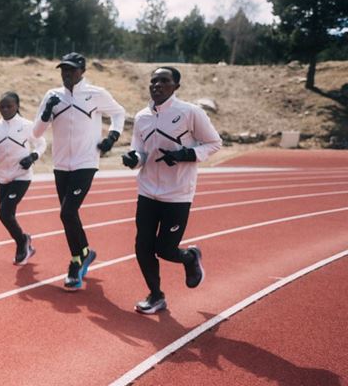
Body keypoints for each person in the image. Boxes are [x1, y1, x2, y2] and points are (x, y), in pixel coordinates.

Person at [121, 67, 221, 314]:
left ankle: (189, 257)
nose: (157, 85)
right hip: (147, 192)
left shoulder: (190, 112)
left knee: (165, 250)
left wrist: (187, 154)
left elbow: (214, 143)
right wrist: (133, 159)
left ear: (176, 86)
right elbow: (140, 152)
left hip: (177, 194)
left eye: (164, 81)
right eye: (153, 81)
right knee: (142, 247)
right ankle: (156, 296)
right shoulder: (142, 116)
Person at [32, 52, 126, 291]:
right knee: (68, 214)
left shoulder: (96, 94)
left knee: (67, 212)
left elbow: (118, 112)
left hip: (86, 162)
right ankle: (85, 253)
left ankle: (77, 261)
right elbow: (36, 132)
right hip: (61, 164)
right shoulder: (52, 96)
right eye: (63, 70)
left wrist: (112, 137)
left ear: (82, 72)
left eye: (71, 70)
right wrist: (46, 113)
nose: (66, 74)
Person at [0, 91, 46, 265]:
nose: (5, 109)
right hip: (3, 176)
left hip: (21, 175)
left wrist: (32, 157)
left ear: (17, 106)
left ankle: (21, 241)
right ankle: (24, 241)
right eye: (2, 106)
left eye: (9, 106)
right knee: (7, 215)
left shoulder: (26, 125)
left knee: (3, 213)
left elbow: (41, 143)